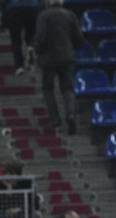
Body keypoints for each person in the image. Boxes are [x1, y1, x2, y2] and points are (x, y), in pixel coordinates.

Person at [29, 0, 83, 134]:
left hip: (49, 58)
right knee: (68, 89)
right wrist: (71, 48)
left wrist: (37, 50)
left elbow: (40, 38)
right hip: (67, 57)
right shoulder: (70, 15)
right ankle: (70, 114)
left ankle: (55, 120)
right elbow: (79, 39)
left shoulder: (43, 16)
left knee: (48, 89)